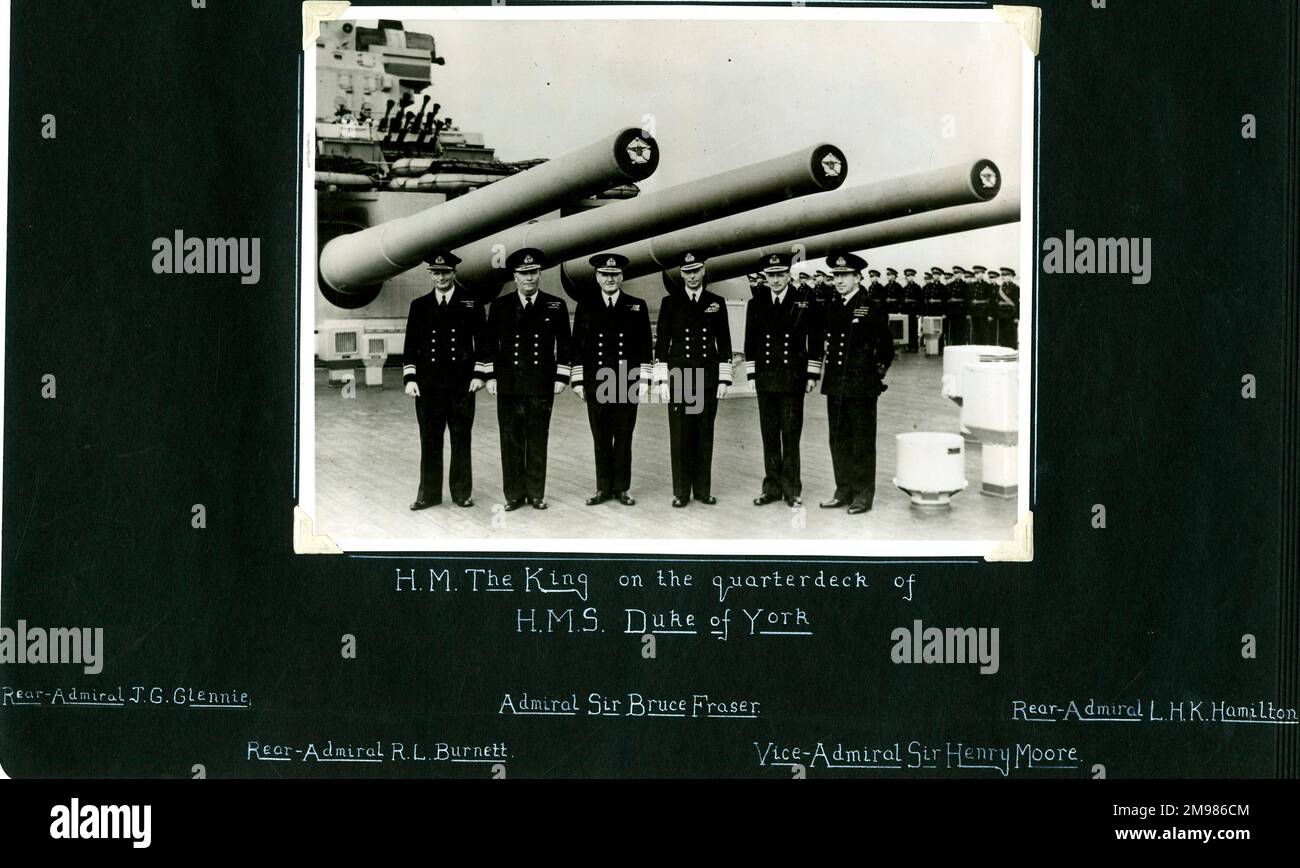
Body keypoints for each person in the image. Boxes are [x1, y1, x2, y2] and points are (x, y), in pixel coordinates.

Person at [482, 248, 572, 510]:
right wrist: (490, 376)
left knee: (537, 439)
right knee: (510, 441)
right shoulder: (500, 306)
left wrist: (561, 376)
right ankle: (513, 494)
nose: (529, 278)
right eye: (524, 274)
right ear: (515, 276)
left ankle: (536, 493)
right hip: (509, 384)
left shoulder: (555, 305)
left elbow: (565, 345)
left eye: (533, 273)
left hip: (541, 383)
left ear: (539, 274)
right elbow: (489, 344)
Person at [402, 251, 486, 510]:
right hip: (428, 386)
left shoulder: (471, 302)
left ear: (454, 273)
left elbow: (483, 343)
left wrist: (479, 374)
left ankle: (461, 492)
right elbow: (410, 345)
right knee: (430, 439)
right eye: (436, 273)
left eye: (446, 272)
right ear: (430, 274)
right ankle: (428, 494)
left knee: (461, 439)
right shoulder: (419, 305)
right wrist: (410, 377)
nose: (441, 277)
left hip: (461, 385)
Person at [570, 253, 653, 506]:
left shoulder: (636, 305)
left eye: (614, 275)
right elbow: (578, 347)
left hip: (626, 383)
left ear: (622, 276)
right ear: (597, 277)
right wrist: (579, 381)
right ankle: (603, 487)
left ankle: (622, 488)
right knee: (601, 437)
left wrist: (644, 380)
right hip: (597, 383)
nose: (610, 279)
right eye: (605, 275)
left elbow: (644, 345)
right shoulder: (586, 305)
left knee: (624, 437)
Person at [744, 252, 824, 507]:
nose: (775, 280)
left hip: (792, 378)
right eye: (771, 276)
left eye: (780, 275)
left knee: (790, 435)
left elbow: (816, 338)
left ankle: (791, 488)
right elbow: (750, 341)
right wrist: (751, 373)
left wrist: (812, 374)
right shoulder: (756, 302)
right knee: (769, 434)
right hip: (766, 378)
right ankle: (772, 487)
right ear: (765, 278)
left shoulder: (803, 300)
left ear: (788, 275)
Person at [654, 251, 733, 507]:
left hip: (707, 379)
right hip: (680, 379)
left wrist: (723, 379)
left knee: (703, 435)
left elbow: (725, 343)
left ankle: (702, 490)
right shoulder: (670, 303)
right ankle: (680, 492)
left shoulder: (716, 302)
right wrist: (662, 381)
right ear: (681, 274)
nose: (691, 276)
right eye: (687, 272)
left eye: (696, 270)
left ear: (703, 271)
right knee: (680, 437)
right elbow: (662, 346)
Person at [818, 251, 894, 515]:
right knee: (838, 440)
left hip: (861, 386)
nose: (838, 281)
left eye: (844, 276)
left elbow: (886, 347)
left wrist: (876, 375)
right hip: (836, 383)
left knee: (862, 441)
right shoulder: (832, 306)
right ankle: (843, 490)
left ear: (858, 277)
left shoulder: (872, 306)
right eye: (836, 276)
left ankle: (862, 494)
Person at [944, 266, 969, 345]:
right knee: (952, 330)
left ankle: (960, 344)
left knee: (961, 329)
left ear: (961, 274)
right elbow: (946, 298)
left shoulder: (965, 285)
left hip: (961, 311)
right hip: (951, 311)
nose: (957, 275)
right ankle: (953, 344)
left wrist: (966, 312)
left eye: (959, 273)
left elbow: (967, 299)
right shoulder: (950, 285)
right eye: (955, 273)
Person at [997, 267, 1019, 348]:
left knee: (1011, 334)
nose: (1003, 277)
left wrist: (1017, 316)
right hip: (1001, 314)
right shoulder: (1001, 287)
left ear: (1011, 276)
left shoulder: (1015, 288)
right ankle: (1003, 348)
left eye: (1005, 275)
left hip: (1011, 314)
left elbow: (1017, 303)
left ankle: (1012, 349)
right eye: (1002, 275)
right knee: (1002, 334)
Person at [902, 268, 923, 353]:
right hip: (906, 311)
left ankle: (915, 347)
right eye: (908, 276)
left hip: (914, 311)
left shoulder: (917, 287)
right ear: (906, 277)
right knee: (907, 329)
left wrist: (919, 312)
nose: (909, 277)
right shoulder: (905, 288)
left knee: (914, 329)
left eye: (911, 275)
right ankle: (908, 346)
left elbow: (920, 301)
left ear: (914, 276)